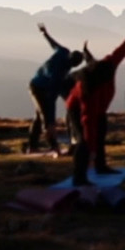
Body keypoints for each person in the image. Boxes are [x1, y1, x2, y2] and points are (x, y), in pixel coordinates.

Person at [65, 20, 125, 186]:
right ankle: (79, 177)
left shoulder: (108, 64)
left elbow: (122, 50)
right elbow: (88, 122)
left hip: (99, 109)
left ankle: (101, 166)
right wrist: (91, 150)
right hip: (77, 109)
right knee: (84, 141)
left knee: (101, 132)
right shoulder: (88, 91)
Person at [26, 23, 84, 155]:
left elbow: (54, 45)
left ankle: (32, 146)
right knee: (46, 118)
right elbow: (51, 97)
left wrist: (45, 33)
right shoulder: (59, 73)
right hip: (38, 88)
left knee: (39, 116)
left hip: (37, 83)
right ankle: (54, 147)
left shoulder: (64, 52)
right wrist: (52, 120)